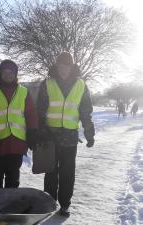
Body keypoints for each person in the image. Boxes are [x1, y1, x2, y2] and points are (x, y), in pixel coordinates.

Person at [36, 52, 95, 217]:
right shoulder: (47, 84)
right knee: (51, 172)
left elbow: (85, 112)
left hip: (70, 138)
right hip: (50, 137)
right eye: (60, 66)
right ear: (56, 66)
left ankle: (64, 205)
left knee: (68, 174)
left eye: (66, 66)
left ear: (72, 67)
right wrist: (40, 132)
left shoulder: (81, 85)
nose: (63, 69)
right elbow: (39, 111)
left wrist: (89, 134)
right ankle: (49, 203)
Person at [0, 59, 38, 188]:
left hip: (17, 142)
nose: (8, 75)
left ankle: (10, 206)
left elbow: (31, 113)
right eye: (5, 72)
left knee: (13, 178)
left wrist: (32, 131)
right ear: (0, 74)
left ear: (15, 74)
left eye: (11, 72)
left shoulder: (24, 92)